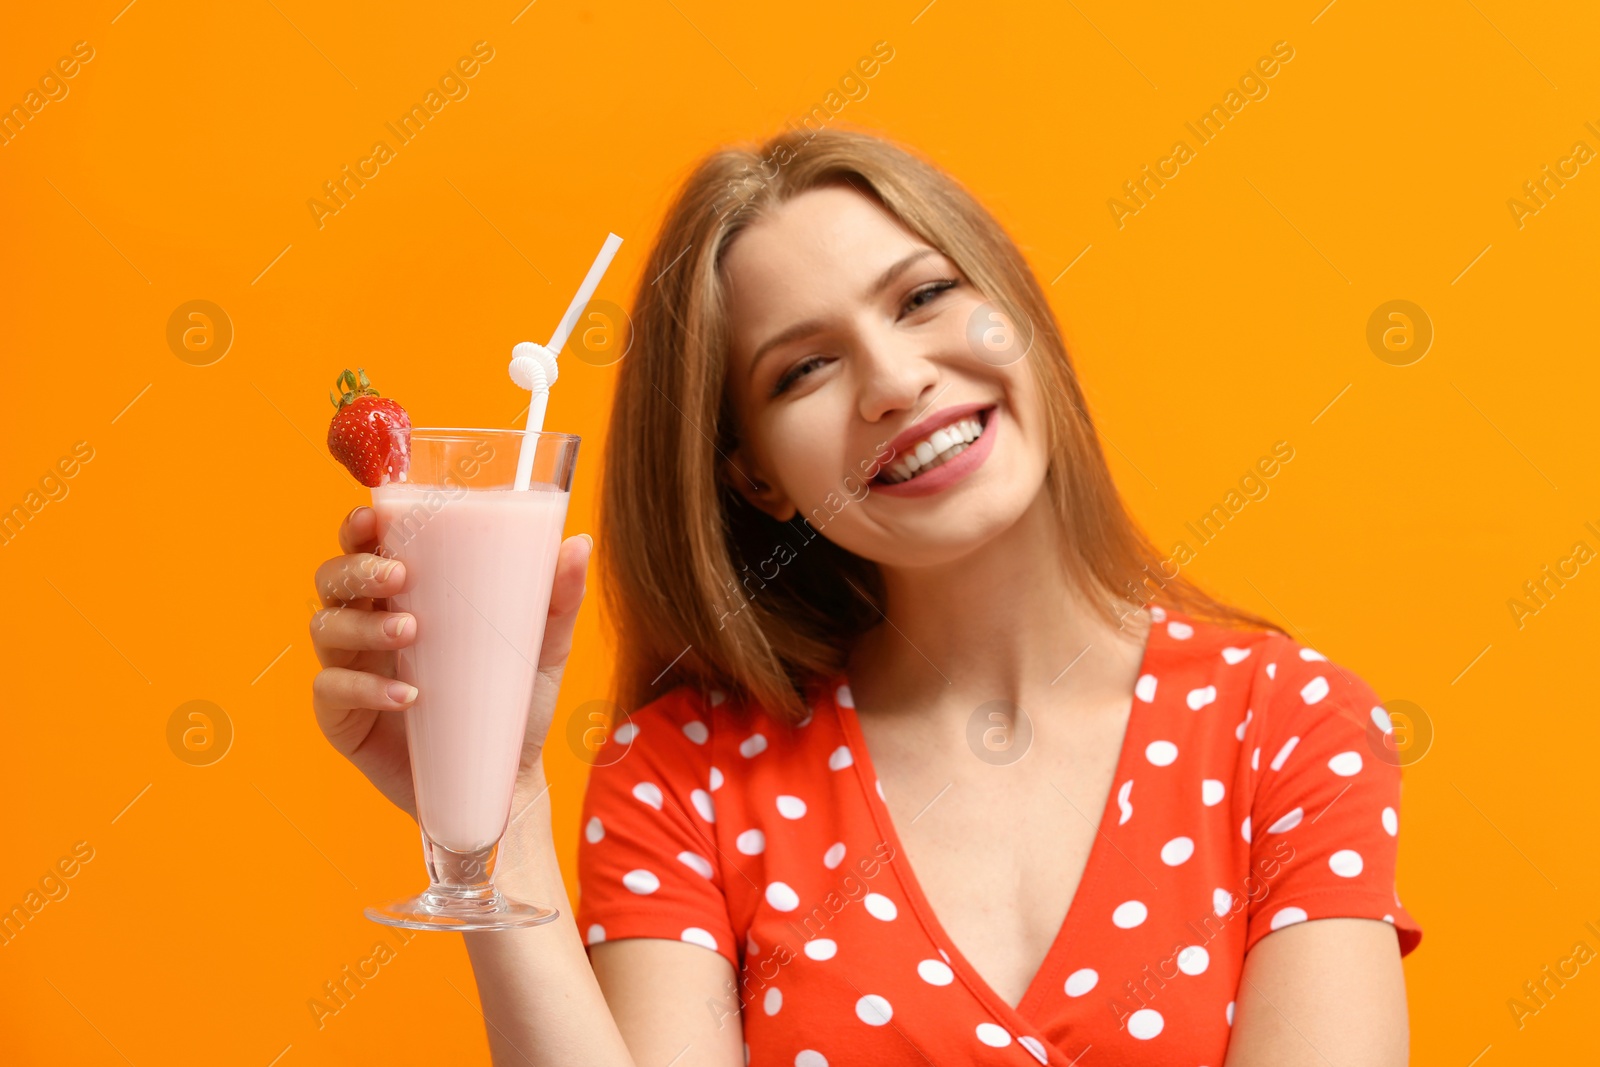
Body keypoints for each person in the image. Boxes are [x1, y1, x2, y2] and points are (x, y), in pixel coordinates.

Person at [310, 126, 1422, 1066]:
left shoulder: (1287, 724)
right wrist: (496, 811)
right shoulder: (685, 777)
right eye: (803, 369)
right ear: (756, 474)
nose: (894, 381)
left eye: (926, 296)